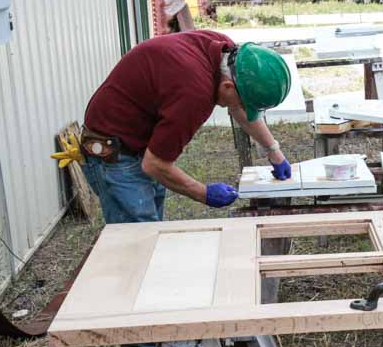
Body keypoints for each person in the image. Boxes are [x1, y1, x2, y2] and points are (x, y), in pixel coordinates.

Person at [80, 30, 292, 224]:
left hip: (138, 139)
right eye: (240, 102)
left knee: (149, 232)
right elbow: (154, 165)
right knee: (135, 239)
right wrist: (204, 193)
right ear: (227, 86)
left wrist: (274, 151)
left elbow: (240, 109)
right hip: (112, 149)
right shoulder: (194, 94)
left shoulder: (225, 53)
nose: (237, 108)